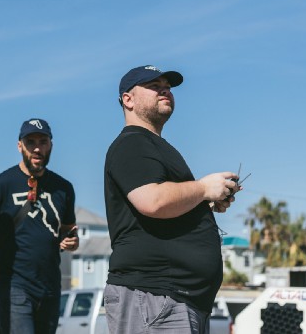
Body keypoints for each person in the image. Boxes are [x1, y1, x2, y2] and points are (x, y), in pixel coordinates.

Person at [103, 65, 241, 334]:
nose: (164, 91)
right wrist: (203, 188)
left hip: (174, 300)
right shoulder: (132, 143)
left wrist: (204, 204)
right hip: (155, 296)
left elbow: (164, 201)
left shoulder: (156, 146)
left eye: (167, 87)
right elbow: (153, 200)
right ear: (128, 100)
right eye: (154, 86)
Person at [0, 118, 79, 334]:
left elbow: (68, 232)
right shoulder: (0, 185)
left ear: (51, 145)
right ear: (20, 146)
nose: (37, 148)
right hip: (13, 285)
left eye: (43, 142)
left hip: (50, 287)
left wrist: (72, 242)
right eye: (31, 142)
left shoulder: (64, 188)